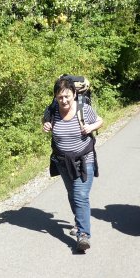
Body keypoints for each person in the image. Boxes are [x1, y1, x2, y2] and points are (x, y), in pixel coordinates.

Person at [42, 77, 103, 252]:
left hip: (85, 159)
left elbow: (100, 120)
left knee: (80, 195)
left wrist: (91, 128)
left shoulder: (84, 109)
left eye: (67, 96)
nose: (64, 100)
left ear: (74, 94)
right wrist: (46, 125)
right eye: (60, 97)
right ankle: (79, 222)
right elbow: (45, 121)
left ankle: (83, 235)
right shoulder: (53, 110)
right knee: (72, 193)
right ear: (55, 97)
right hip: (63, 161)